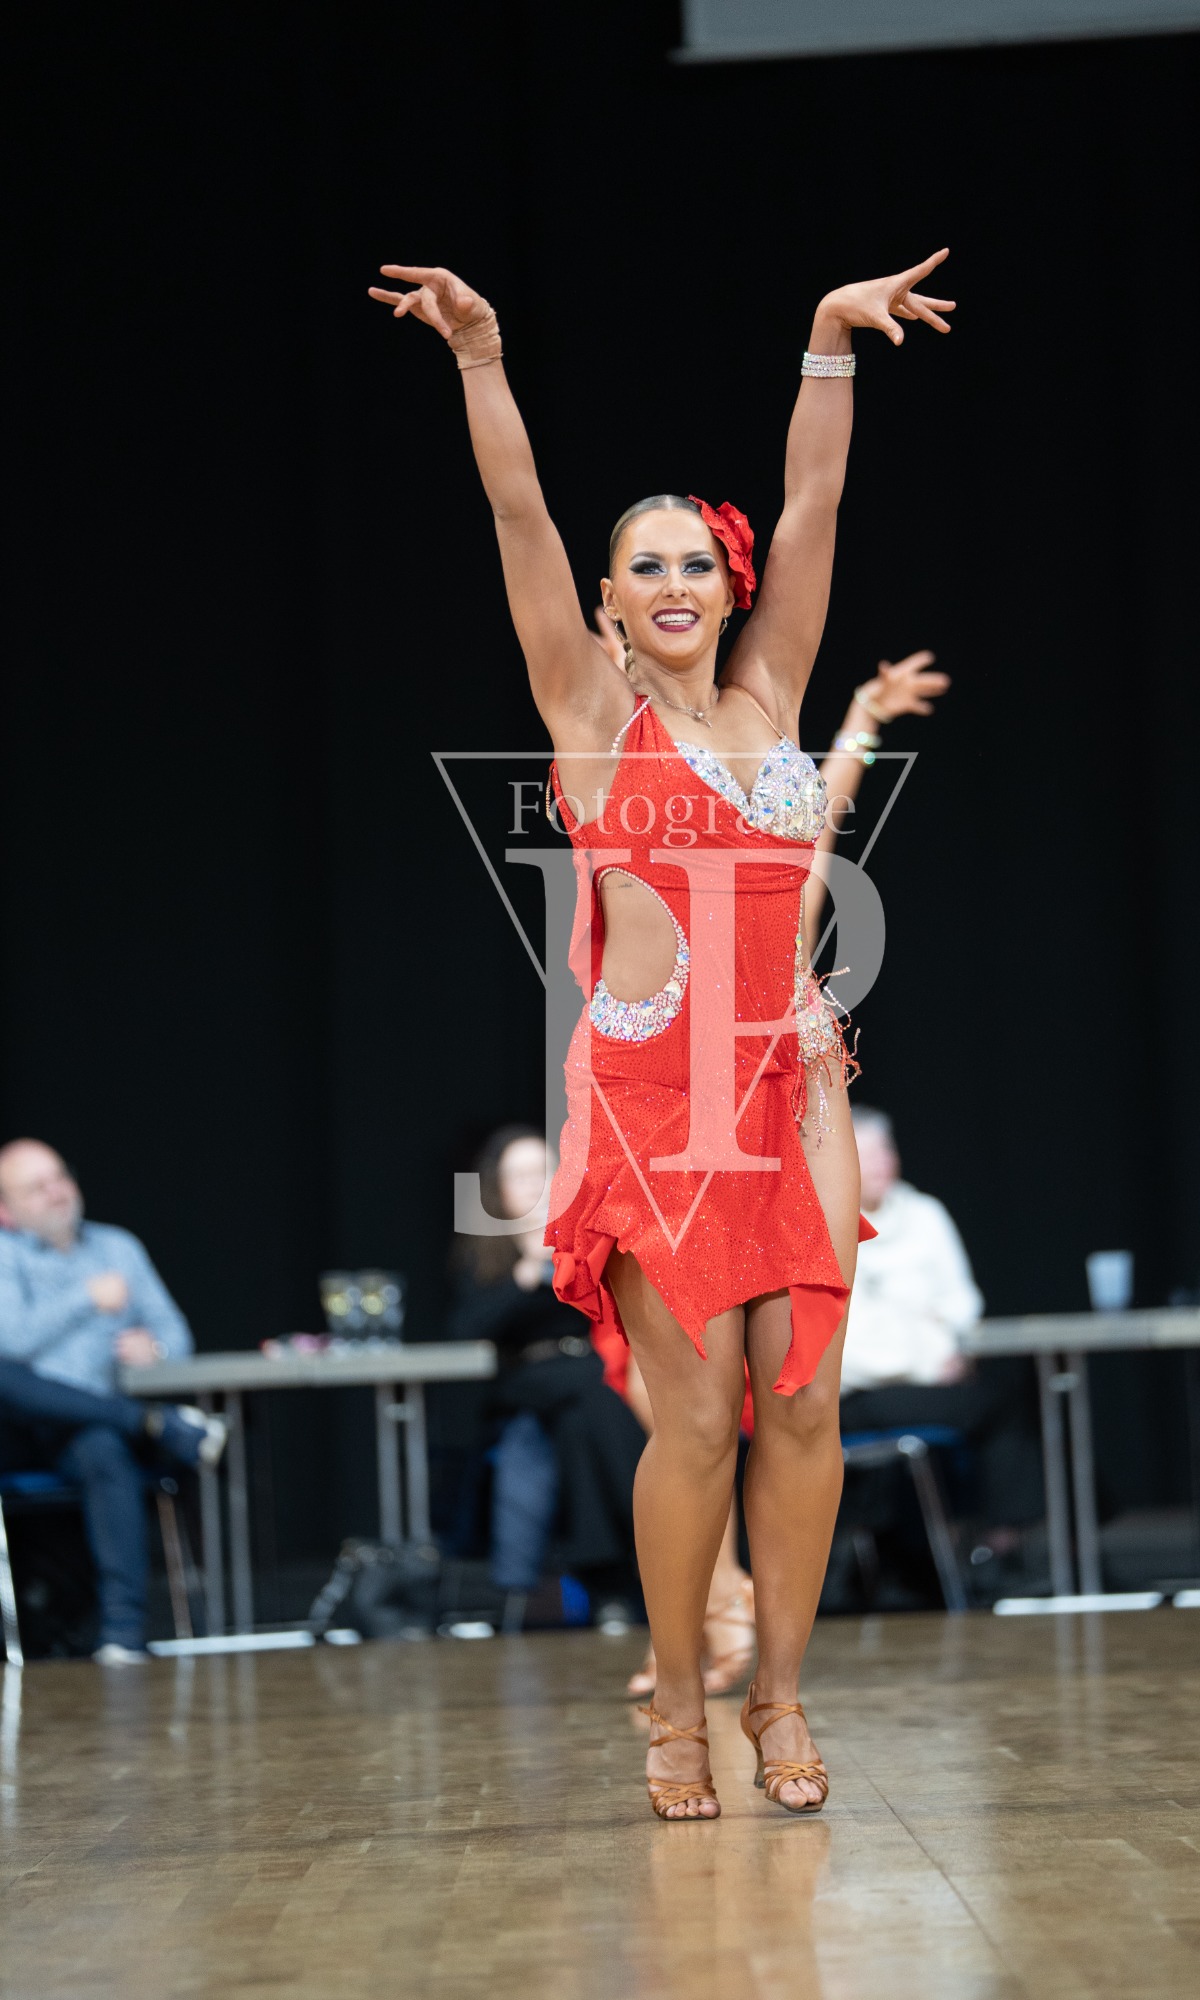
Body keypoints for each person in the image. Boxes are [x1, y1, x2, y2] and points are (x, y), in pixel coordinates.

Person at [371, 250, 954, 1816]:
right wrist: (480, 357)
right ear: (613, 599)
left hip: (793, 1079)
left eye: (698, 560)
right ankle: (681, 1708)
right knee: (694, 1420)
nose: (678, 582)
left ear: (727, 584)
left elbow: (815, 505)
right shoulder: (587, 711)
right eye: (648, 566)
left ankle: (781, 1697)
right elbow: (517, 515)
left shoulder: (772, 697)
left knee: (806, 1400)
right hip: (656, 1092)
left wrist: (828, 339)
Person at [587, 628, 952, 1699]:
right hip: (669, 1125)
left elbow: (818, 820)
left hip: (773, 1129)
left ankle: (734, 1625)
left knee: (769, 1402)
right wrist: (622, 673)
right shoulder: (637, 816)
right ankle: (710, 1611)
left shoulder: (779, 884)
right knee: (674, 1409)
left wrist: (863, 723)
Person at [0, 1138, 227, 1663]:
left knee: (102, 1446)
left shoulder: (117, 1248)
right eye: (37, 1187)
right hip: (19, 1428)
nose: (57, 1192)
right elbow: (10, 1341)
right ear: (6, 1210)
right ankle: (152, 1422)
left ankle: (122, 1635)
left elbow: (177, 1334)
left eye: (60, 1177)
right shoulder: (6, 1254)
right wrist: (85, 1298)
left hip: (88, 1430)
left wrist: (156, 1349)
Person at [449, 1126, 645, 1619]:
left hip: (586, 1375)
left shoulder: (589, 1240)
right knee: (593, 1393)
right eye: (520, 1176)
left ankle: (608, 1585)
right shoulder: (486, 1253)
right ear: (498, 1187)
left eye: (544, 1172)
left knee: (581, 1425)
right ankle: (655, 1536)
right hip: (528, 1378)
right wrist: (525, 1275)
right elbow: (467, 1328)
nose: (535, 1186)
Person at [843, 1108, 1038, 1538]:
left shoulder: (923, 1213)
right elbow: (851, 1347)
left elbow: (961, 1302)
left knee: (1029, 1385)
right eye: (867, 1154)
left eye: (886, 1150)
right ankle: (1003, 1540)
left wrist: (943, 1345)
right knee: (1000, 1405)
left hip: (933, 1375)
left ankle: (1041, 1535)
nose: (882, 1163)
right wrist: (931, 1355)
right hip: (862, 1394)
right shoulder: (827, 1225)